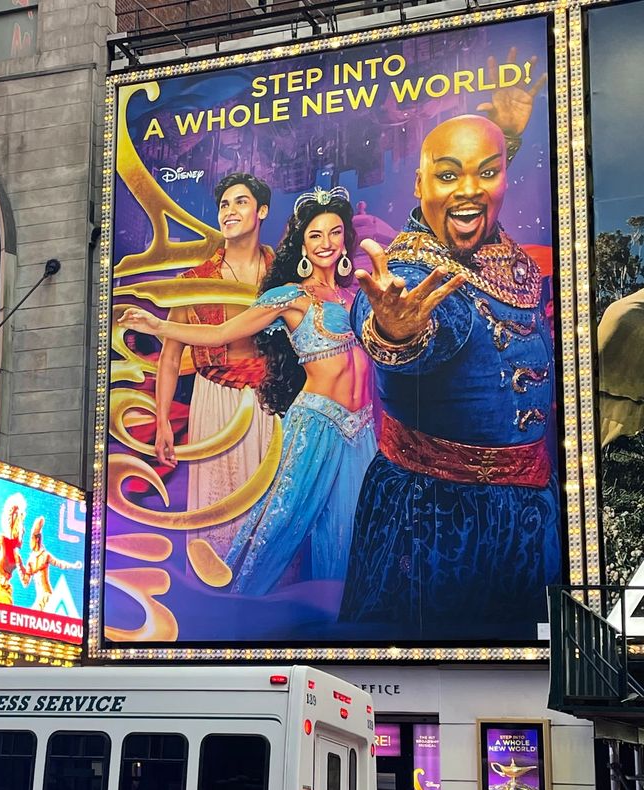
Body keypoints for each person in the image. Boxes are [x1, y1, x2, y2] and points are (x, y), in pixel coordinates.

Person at [339, 114, 559, 635]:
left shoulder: (512, 258)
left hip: (529, 513)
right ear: (420, 185)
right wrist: (395, 331)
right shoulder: (413, 269)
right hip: (435, 519)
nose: (469, 190)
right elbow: (405, 320)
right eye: (448, 174)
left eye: (487, 172)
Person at [120, 186, 378, 594]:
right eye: (315, 235)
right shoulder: (290, 296)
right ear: (303, 246)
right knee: (278, 526)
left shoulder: (356, 296)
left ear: (345, 240)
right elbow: (221, 333)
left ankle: (339, 616)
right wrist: (159, 325)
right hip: (316, 423)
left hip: (361, 428)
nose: (325, 243)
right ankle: (236, 608)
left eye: (334, 233)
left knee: (352, 528)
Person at [154, 173, 278, 558]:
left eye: (240, 202)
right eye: (224, 204)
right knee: (218, 508)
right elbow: (170, 357)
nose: (229, 211)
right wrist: (162, 422)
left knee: (272, 508)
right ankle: (213, 582)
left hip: (275, 400)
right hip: (214, 399)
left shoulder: (286, 272)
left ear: (262, 211)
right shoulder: (194, 281)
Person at [21, 516, 83, 610]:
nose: (30, 541)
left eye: (32, 538)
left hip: (47, 596)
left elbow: (60, 563)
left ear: (37, 539)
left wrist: (73, 565)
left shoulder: (45, 555)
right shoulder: (30, 560)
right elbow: (25, 582)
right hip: (39, 598)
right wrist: (19, 565)